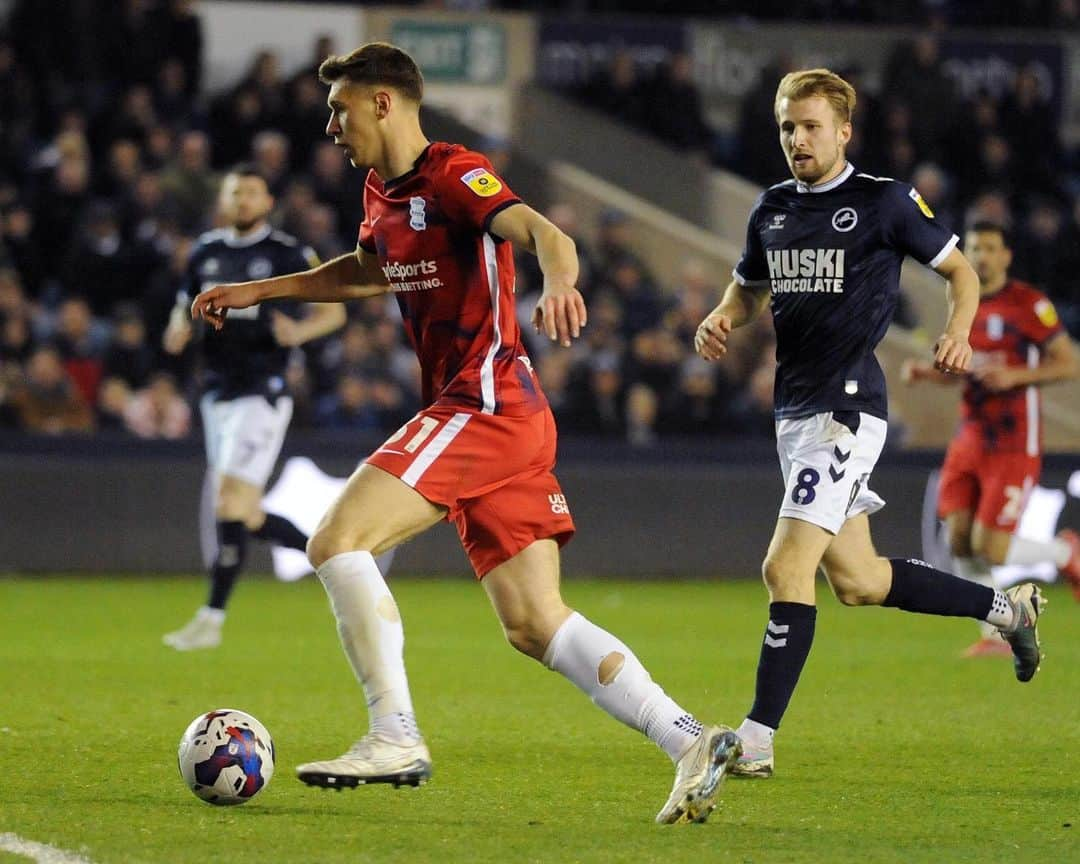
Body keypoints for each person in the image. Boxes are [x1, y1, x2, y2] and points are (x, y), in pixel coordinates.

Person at [191, 42, 739, 825]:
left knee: (334, 542)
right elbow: (361, 270)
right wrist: (259, 291)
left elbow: (550, 235)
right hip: (498, 421)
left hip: (483, 403)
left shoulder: (455, 173)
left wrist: (560, 283)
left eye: (340, 109)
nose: (331, 126)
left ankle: (394, 734)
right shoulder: (382, 193)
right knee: (534, 622)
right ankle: (690, 738)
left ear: (384, 102)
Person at [693, 69, 1045, 781]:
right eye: (789, 126)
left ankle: (757, 739)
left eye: (812, 126)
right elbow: (750, 286)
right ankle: (1007, 611)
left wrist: (961, 331)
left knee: (784, 566)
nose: (798, 139)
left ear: (844, 131)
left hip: (847, 409)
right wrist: (723, 314)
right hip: (795, 414)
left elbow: (961, 273)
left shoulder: (882, 203)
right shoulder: (772, 210)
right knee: (857, 580)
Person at [162, 164, 347, 650]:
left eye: (251, 192)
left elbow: (334, 310)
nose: (242, 199)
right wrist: (177, 326)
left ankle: (211, 618)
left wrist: (299, 331)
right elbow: (184, 303)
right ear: (225, 200)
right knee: (242, 513)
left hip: (262, 390)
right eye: (234, 191)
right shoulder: (206, 251)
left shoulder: (287, 253)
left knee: (229, 501)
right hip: (216, 391)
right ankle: (334, 555)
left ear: (268, 202)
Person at [902, 222, 1080, 650]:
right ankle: (997, 634)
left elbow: (1067, 364)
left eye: (989, 248)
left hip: (1015, 440)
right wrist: (929, 373)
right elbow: (964, 369)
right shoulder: (964, 302)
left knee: (992, 549)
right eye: (975, 248)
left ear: (1006, 256)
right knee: (959, 540)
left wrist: (1017, 375)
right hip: (970, 437)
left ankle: (1066, 553)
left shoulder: (1029, 305)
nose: (981, 256)